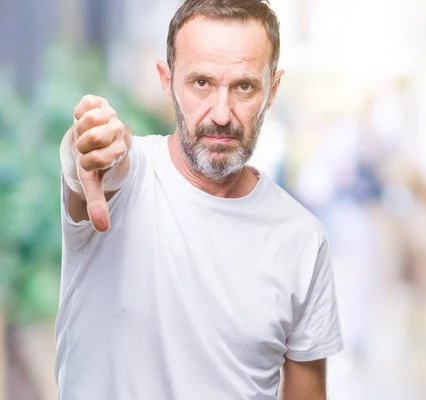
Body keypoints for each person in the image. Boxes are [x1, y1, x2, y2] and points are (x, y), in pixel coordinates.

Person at [55, 1, 343, 399]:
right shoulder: (125, 179)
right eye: (201, 83)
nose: (222, 114)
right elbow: (85, 168)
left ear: (272, 90)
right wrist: (84, 148)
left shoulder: (303, 240)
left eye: (244, 86)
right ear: (167, 79)